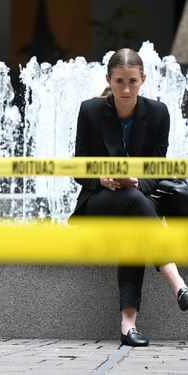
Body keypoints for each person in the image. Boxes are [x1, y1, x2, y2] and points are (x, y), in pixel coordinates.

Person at [72, 48, 188, 347]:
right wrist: (100, 177)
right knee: (135, 203)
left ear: (143, 80)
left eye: (132, 81)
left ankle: (128, 323)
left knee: (136, 207)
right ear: (108, 79)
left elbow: (157, 170)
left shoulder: (158, 113)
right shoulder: (90, 111)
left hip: (136, 199)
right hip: (98, 202)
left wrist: (138, 181)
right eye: (119, 81)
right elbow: (78, 168)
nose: (125, 89)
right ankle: (177, 283)